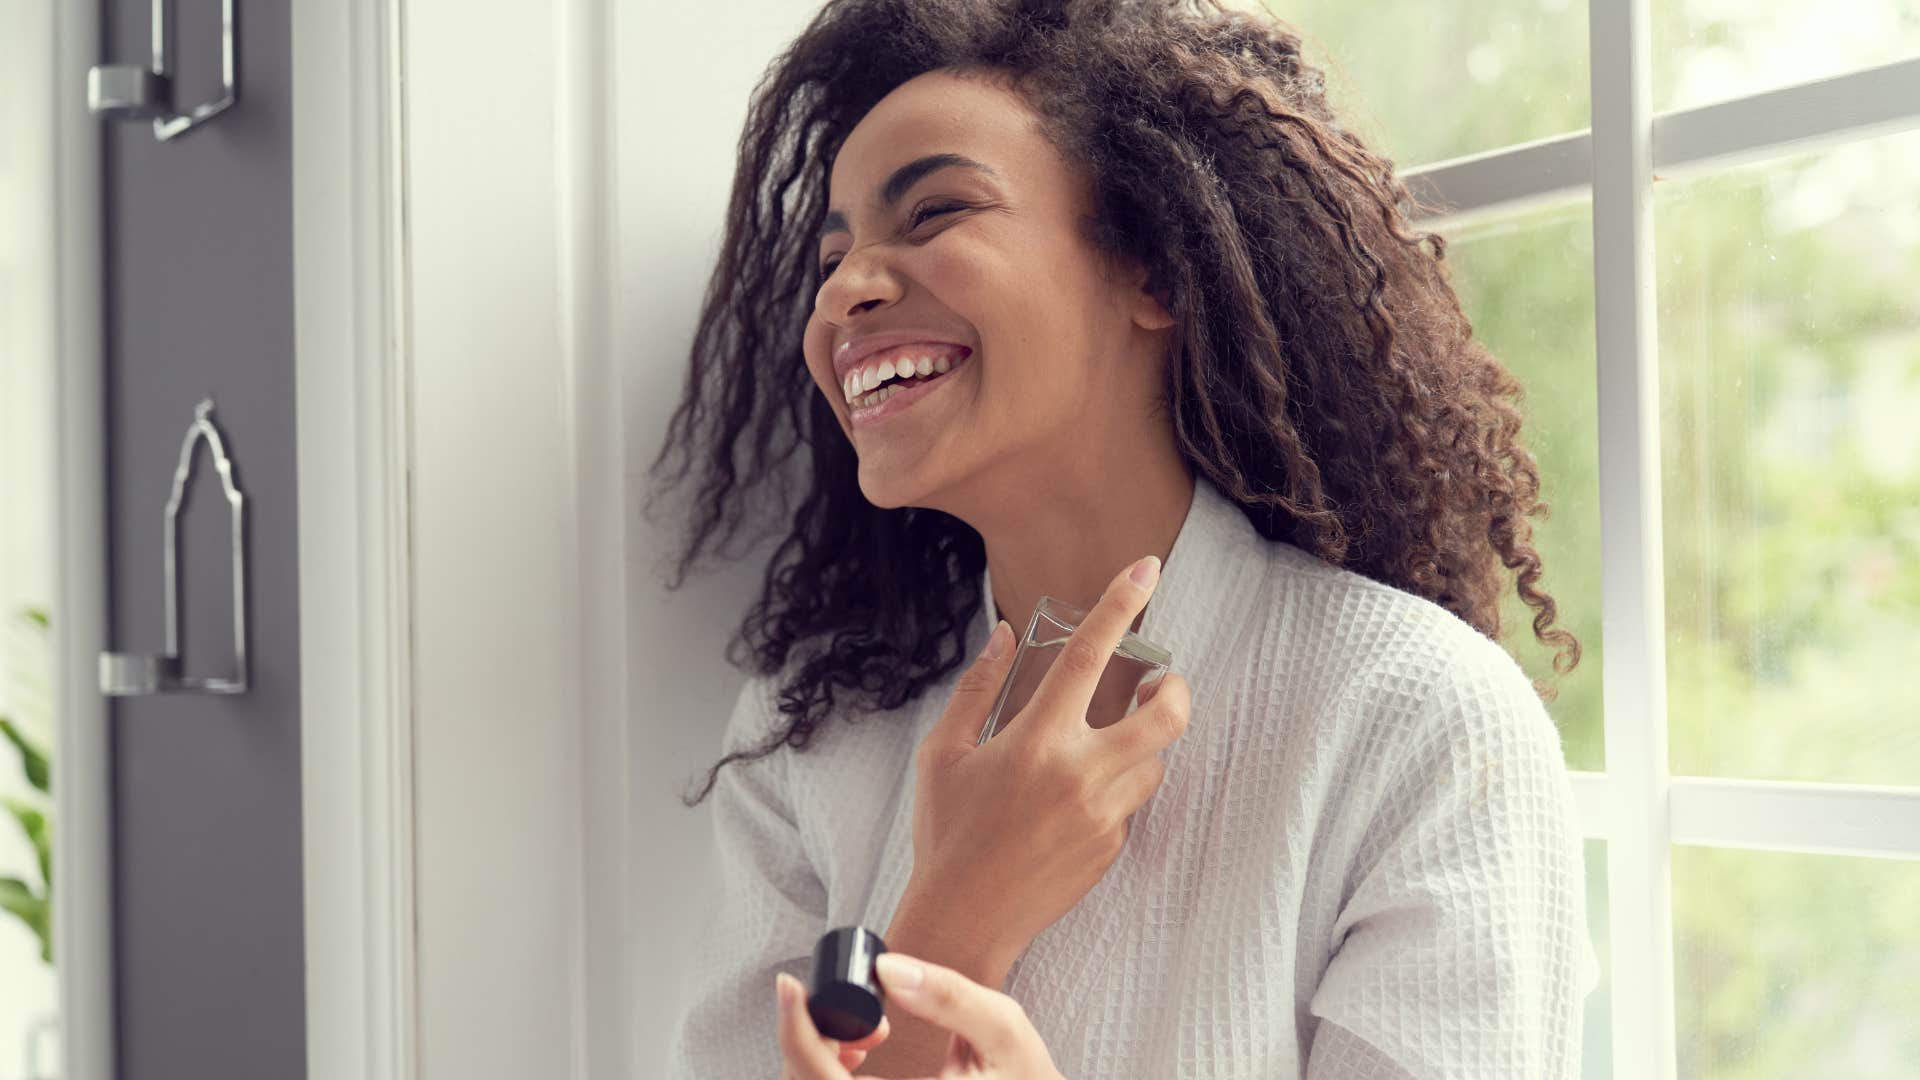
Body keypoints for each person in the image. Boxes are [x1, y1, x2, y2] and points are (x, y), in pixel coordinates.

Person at [647, 0, 1601, 1076]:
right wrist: (957, 912)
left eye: (934, 214)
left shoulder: (1417, 719)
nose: (847, 290)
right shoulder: (808, 742)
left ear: (1153, 269)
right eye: (835, 255)